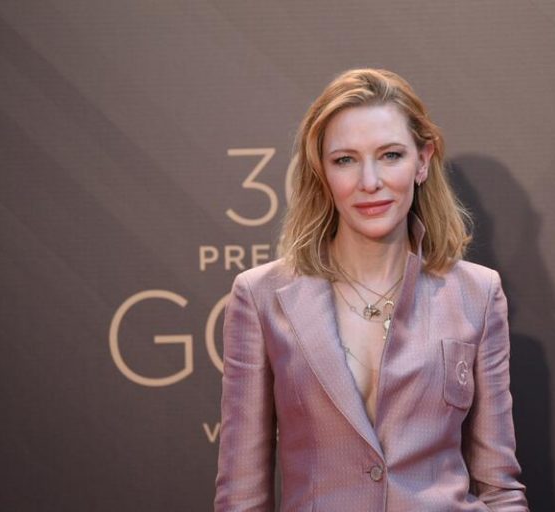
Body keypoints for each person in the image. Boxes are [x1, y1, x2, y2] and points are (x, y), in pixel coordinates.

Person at [214, 68, 529, 511]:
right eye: (345, 160)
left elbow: (501, 487)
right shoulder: (261, 296)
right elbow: (242, 496)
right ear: (321, 172)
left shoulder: (477, 293)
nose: (369, 182)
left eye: (390, 155)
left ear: (423, 161)